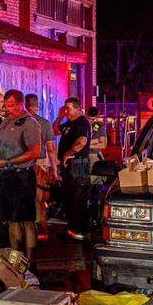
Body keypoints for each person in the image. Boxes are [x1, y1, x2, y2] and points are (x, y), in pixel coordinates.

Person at [0, 90, 42, 263]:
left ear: (20, 104)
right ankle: (15, 260)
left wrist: (10, 161)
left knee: (26, 219)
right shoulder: (5, 122)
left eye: (11, 105)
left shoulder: (29, 123)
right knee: (11, 219)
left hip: (23, 176)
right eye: (6, 105)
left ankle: (30, 262)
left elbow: (34, 152)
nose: (8, 109)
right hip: (6, 176)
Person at [55, 97, 91, 241]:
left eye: (68, 109)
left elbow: (81, 142)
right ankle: (71, 230)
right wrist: (59, 117)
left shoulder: (82, 122)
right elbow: (55, 130)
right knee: (69, 198)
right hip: (70, 166)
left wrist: (67, 154)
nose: (66, 111)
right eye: (65, 109)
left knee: (78, 198)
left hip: (78, 164)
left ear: (77, 108)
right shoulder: (69, 123)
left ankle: (80, 231)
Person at [26, 94, 59, 240]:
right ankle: (41, 227)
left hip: (21, 163)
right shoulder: (45, 123)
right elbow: (51, 150)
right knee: (40, 198)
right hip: (39, 163)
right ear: (37, 106)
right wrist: (55, 171)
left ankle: (27, 225)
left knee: (26, 196)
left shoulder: (19, 122)